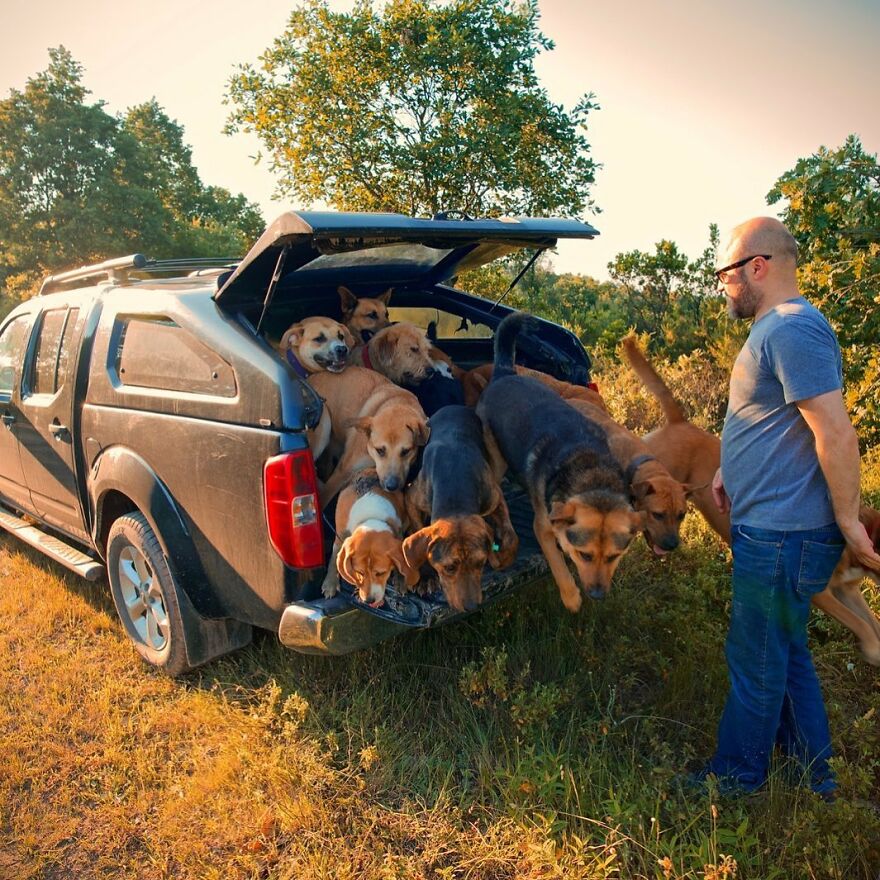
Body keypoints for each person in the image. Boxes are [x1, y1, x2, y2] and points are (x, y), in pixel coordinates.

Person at [705, 216, 880, 797]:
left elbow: (833, 429)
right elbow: (778, 418)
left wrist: (851, 521)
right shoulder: (775, 328)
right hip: (772, 524)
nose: (723, 284)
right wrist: (734, 464)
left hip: (784, 533)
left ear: (758, 266)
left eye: (726, 272)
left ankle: (737, 779)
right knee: (785, 649)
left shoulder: (792, 329)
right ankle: (813, 776)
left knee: (755, 657)